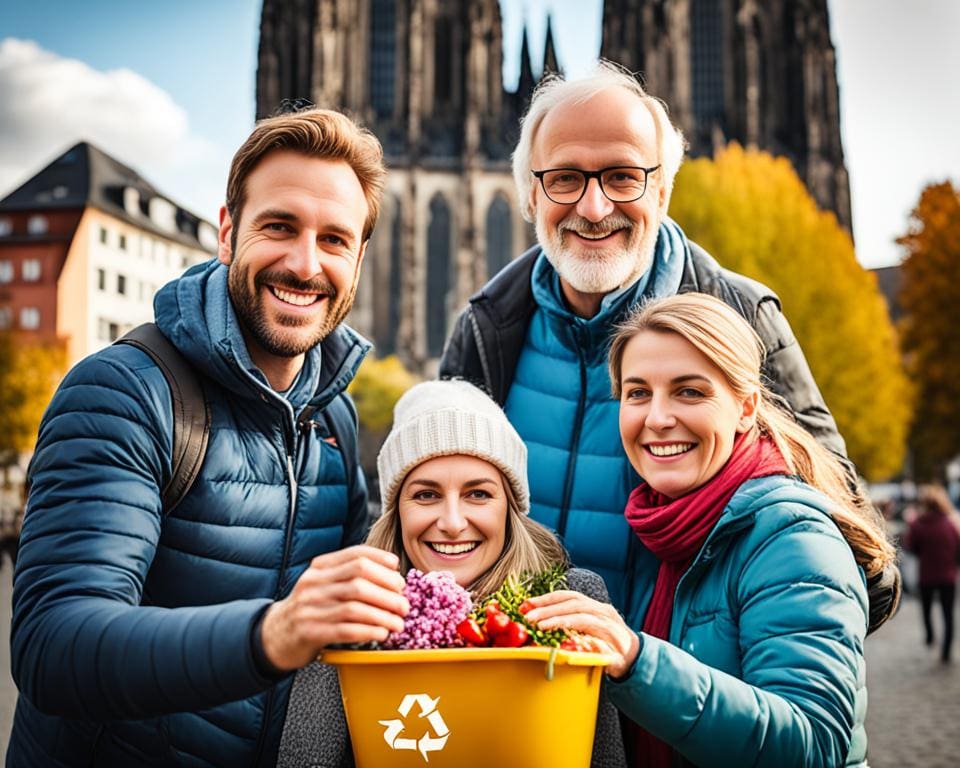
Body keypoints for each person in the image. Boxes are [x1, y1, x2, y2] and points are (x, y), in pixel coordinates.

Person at [8, 108, 412, 766]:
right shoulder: (123, 392)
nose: (305, 263)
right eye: (279, 227)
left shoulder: (333, 418)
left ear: (359, 258)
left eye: (334, 239)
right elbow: (53, 647)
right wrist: (270, 634)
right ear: (227, 233)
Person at [438, 61, 900, 633]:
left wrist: (724, 647)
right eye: (564, 178)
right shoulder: (487, 329)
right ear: (531, 195)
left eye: (622, 177)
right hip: (520, 696)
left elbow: (860, 557)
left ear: (662, 190)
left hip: (679, 709)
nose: (593, 207)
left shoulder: (741, 318)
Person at [522, 293, 895, 767]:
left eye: (689, 391)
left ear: (745, 407)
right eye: (638, 393)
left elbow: (814, 744)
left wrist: (638, 661)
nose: (657, 418)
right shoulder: (667, 525)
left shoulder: (793, 536)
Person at [277, 379, 626, 768]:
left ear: (510, 508)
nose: (453, 523)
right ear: (397, 511)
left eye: (479, 494)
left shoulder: (571, 602)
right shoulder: (353, 610)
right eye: (426, 495)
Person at [904, 484, 960, 663]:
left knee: (926, 609)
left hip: (926, 574)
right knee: (948, 614)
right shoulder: (950, 524)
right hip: (947, 575)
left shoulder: (917, 524)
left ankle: (929, 635)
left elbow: (910, 547)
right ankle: (946, 650)